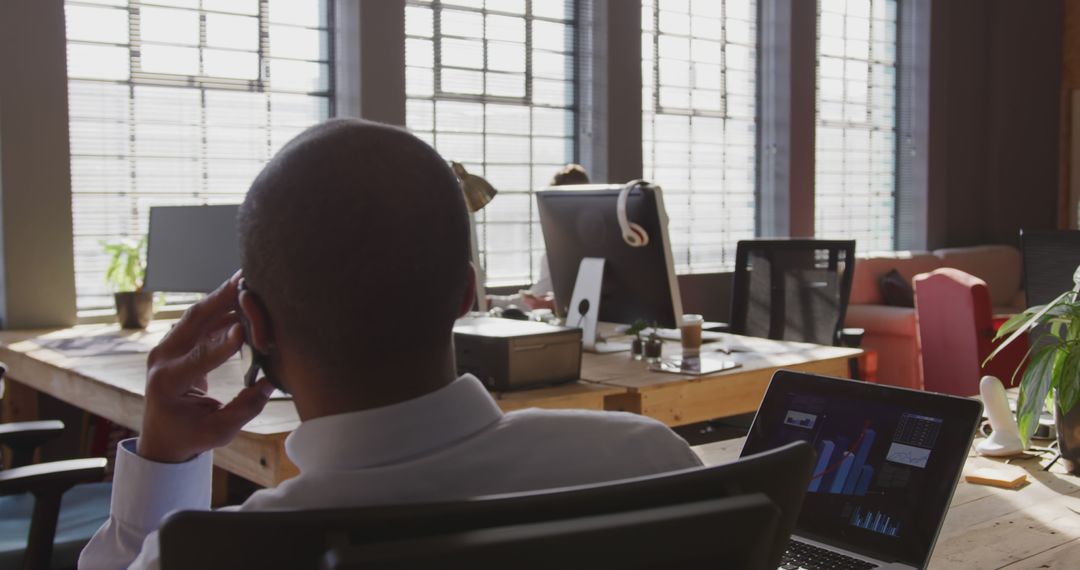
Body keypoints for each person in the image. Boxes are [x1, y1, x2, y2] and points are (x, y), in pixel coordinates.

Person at [79, 120, 701, 569]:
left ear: (256, 326)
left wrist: (161, 462)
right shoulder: (648, 463)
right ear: (465, 296)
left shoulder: (204, 556)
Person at [487, 163, 591, 311]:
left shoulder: (564, 249)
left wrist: (495, 303)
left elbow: (540, 298)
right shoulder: (562, 244)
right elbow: (542, 295)